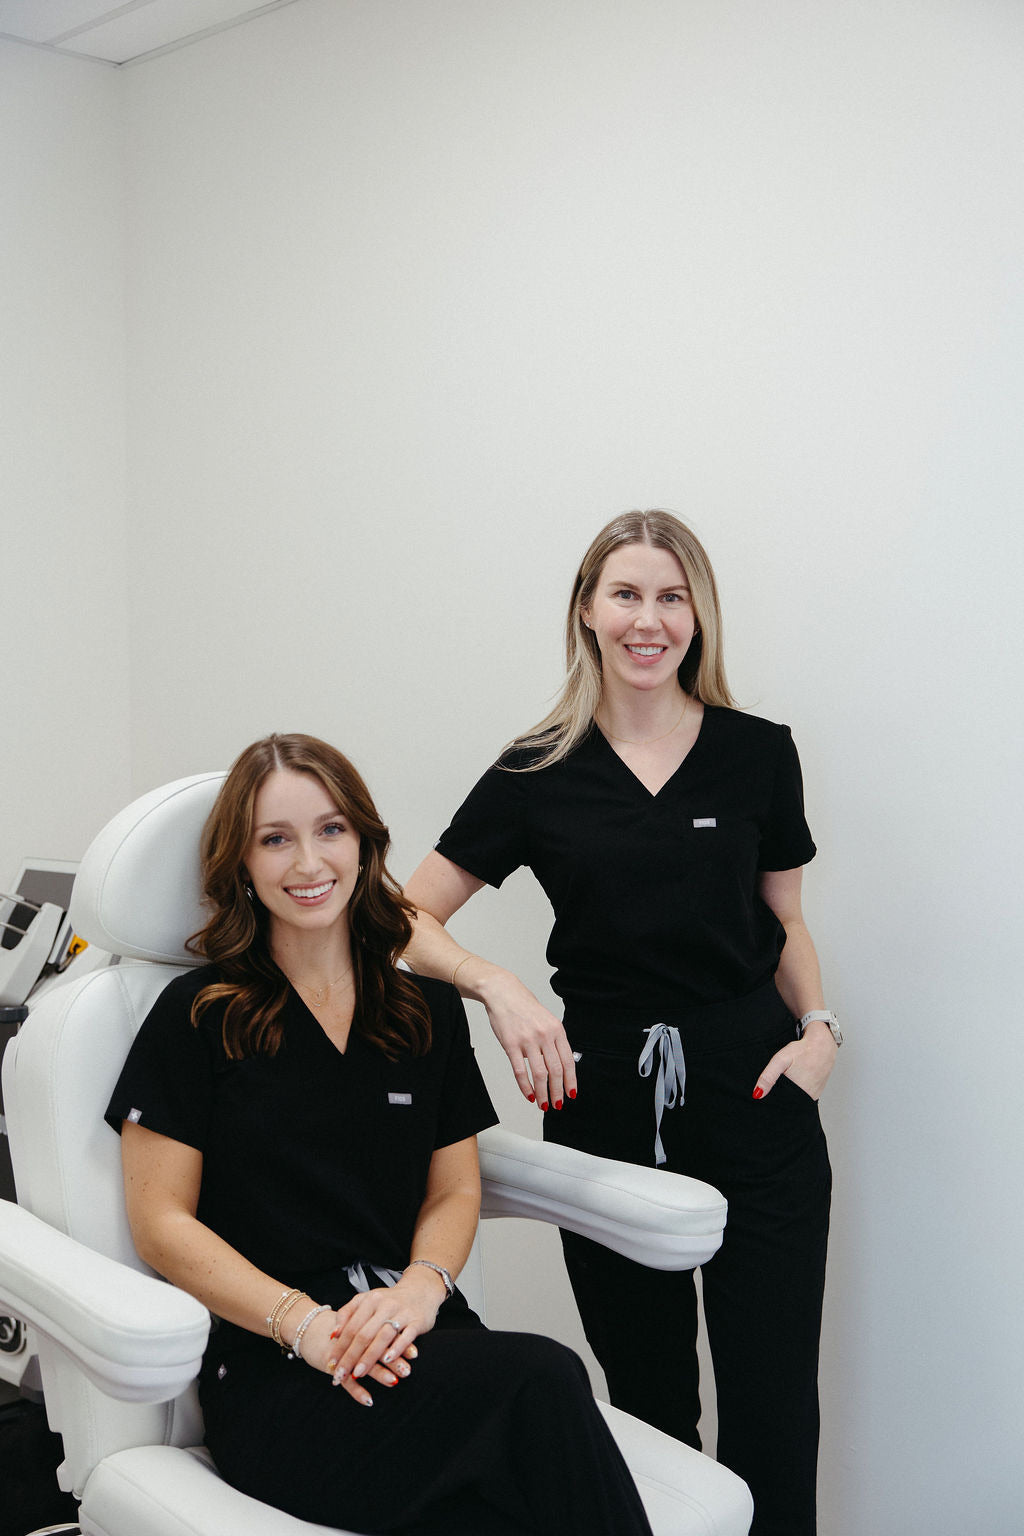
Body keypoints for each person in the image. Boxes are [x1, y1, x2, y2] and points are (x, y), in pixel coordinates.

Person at [403, 510, 837, 1536]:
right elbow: (402, 919)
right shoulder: (537, 769)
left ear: (698, 615)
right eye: (627, 595)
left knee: (774, 1406)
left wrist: (818, 1028)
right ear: (588, 614)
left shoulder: (755, 754)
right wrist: (498, 988)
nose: (650, 619)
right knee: (647, 1403)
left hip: (756, 1093)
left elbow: (787, 921)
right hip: (603, 1108)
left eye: (671, 596)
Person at [104, 733, 655, 1536]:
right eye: (274, 839)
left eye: (330, 830)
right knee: (544, 1376)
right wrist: (306, 1326)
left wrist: (422, 1290)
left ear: (364, 845)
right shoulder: (199, 1016)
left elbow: (455, 1188)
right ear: (242, 867)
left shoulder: (421, 1011)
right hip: (276, 1369)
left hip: (412, 1334)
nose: (307, 862)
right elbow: (162, 1225)